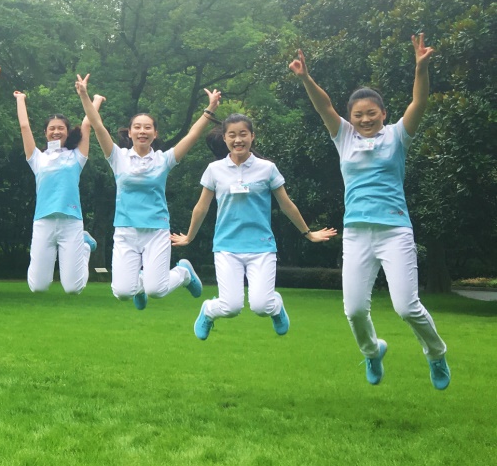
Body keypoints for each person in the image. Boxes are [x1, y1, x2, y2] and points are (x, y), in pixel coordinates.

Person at [289, 35, 450, 389]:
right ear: (350, 118)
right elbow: (324, 106)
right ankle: (373, 351)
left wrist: (421, 68)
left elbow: (419, 102)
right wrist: (305, 78)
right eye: (358, 115)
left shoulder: (397, 136)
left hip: (394, 231)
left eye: (371, 113)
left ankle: (436, 354)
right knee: (354, 310)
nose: (364, 119)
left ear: (383, 114)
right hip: (357, 233)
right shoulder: (343, 136)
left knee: (406, 307)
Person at [171, 112, 336, 340]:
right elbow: (201, 207)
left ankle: (276, 307)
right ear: (225, 138)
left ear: (252, 136)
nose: (238, 140)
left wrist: (308, 233)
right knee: (230, 307)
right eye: (232, 135)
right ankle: (208, 311)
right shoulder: (214, 170)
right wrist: (189, 236)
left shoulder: (267, 168)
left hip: (261, 246)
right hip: (227, 246)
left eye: (243, 134)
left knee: (261, 305)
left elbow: (286, 204)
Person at [76, 74, 217, 310]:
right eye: (137, 127)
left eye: (148, 127)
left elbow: (192, 136)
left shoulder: (164, 160)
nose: (142, 131)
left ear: (155, 133)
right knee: (122, 292)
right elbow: (97, 125)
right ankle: (139, 286)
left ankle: (183, 273)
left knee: (157, 290)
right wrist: (84, 95)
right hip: (126, 230)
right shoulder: (117, 157)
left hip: (156, 230)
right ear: (130, 133)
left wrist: (209, 110)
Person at [14, 89, 101, 295]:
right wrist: (20, 99)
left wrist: (95, 100)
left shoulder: (76, 156)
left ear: (67, 132)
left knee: (73, 288)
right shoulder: (37, 158)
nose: (56, 131)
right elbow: (24, 127)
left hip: (71, 222)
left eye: (61, 128)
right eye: (52, 128)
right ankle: (82, 246)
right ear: (45, 132)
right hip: (43, 222)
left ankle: (85, 247)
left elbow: (87, 124)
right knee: (38, 287)